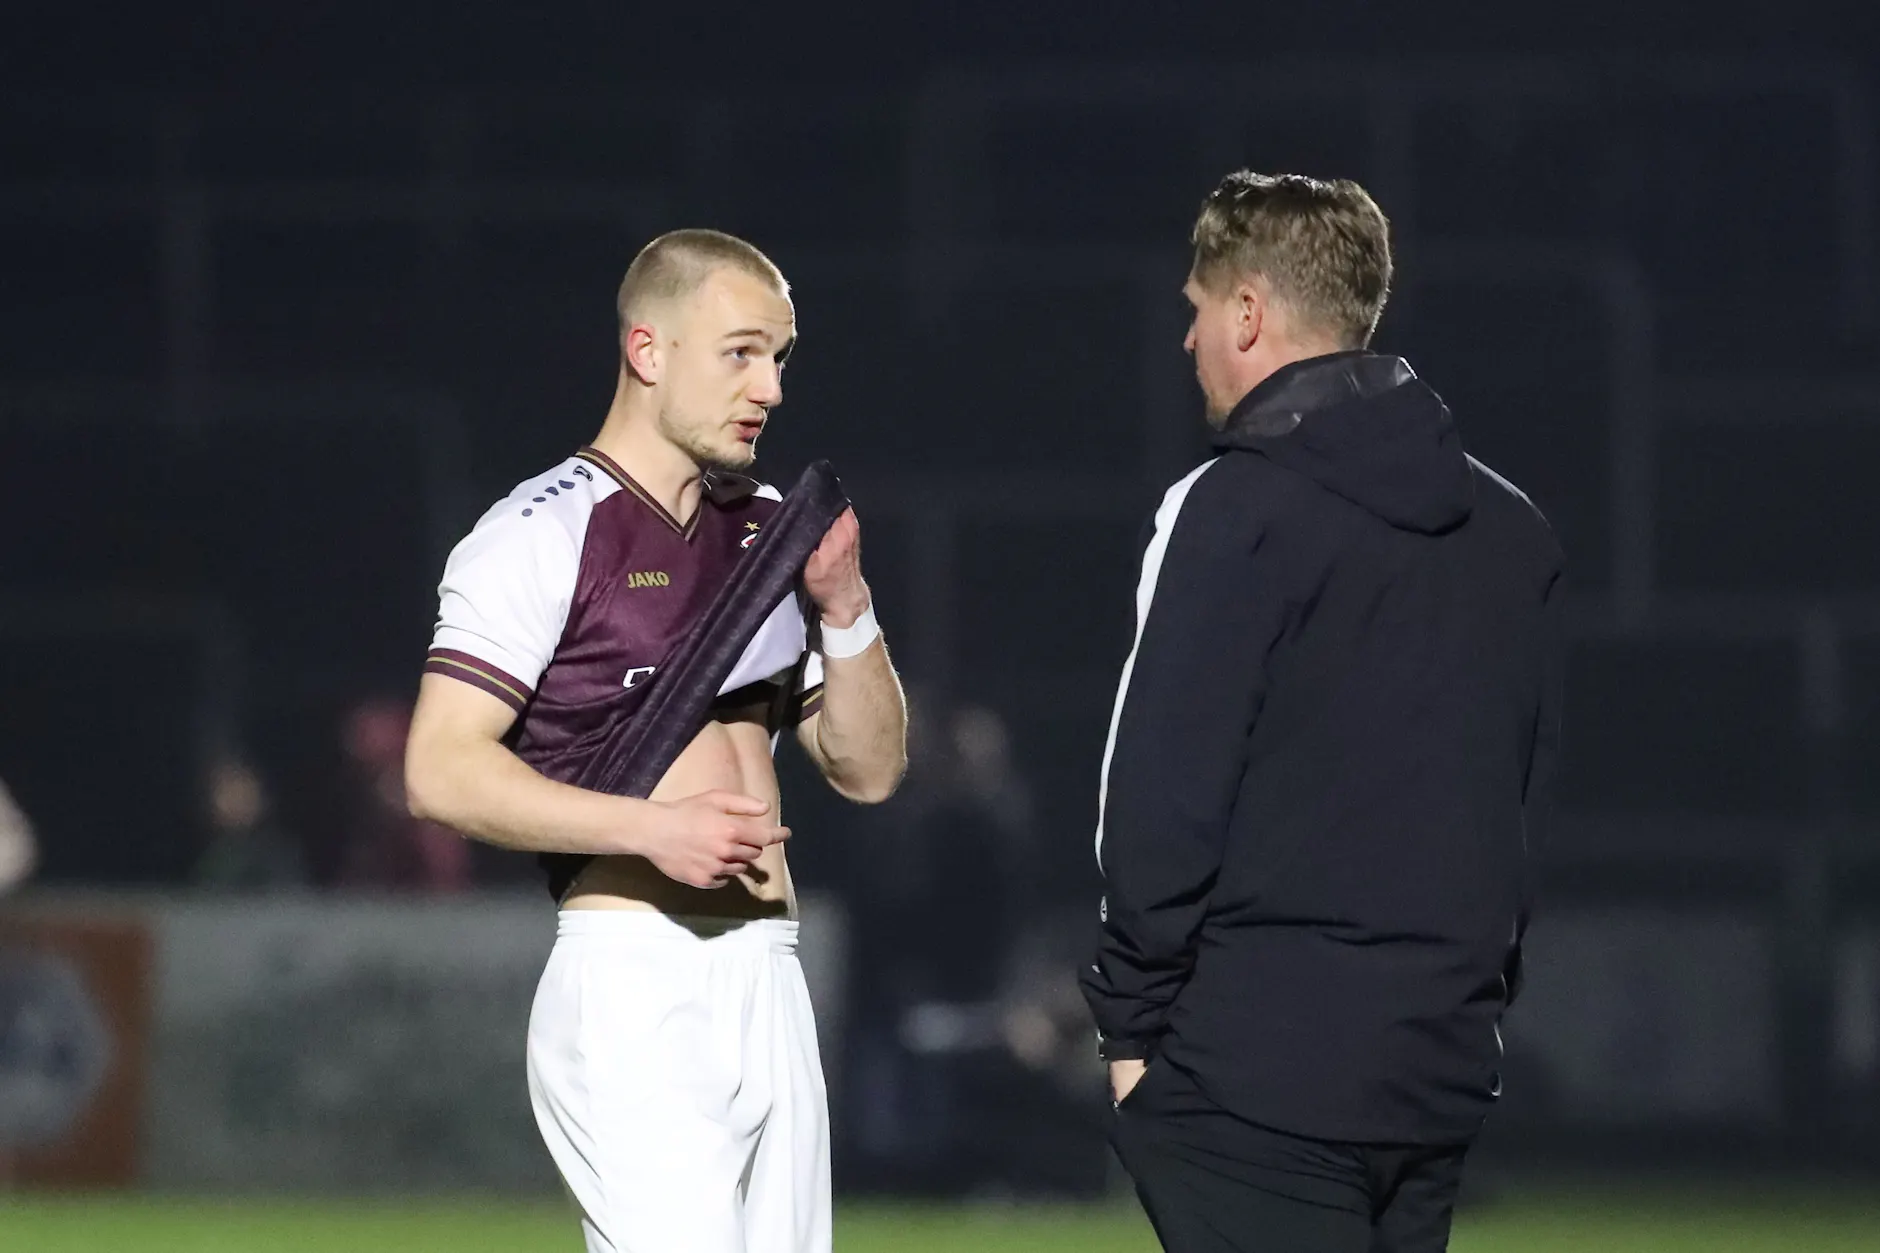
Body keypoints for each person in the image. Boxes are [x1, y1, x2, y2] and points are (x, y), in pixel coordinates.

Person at [1081, 172, 1563, 1253]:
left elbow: (1158, 791)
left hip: (1253, 1074)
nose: (1189, 338)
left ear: (1247, 313)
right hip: (1434, 1066)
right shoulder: (1511, 529)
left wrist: (1128, 1033)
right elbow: (1520, 798)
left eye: (1195, 309)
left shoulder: (1228, 508)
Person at [403, 228, 907, 1253]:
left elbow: (868, 767)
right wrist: (649, 829)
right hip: (635, 978)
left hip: (769, 971)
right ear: (647, 351)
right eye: (739, 352)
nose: (767, 386)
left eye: (779, 356)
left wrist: (846, 609)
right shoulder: (540, 532)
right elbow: (438, 768)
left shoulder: (767, 532)